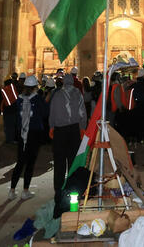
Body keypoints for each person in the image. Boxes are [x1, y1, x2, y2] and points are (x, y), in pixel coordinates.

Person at [49, 72, 87, 208]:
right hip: (73, 132)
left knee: (59, 164)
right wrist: (82, 128)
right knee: (73, 163)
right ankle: (72, 193)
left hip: (60, 132)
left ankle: (58, 193)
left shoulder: (57, 94)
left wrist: (52, 127)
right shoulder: (78, 94)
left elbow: (52, 114)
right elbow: (83, 113)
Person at [8, 75, 47, 199]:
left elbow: (12, 112)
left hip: (22, 133)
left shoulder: (19, 99)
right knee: (30, 163)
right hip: (34, 133)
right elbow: (46, 112)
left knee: (20, 162)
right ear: (35, 87)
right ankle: (25, 191)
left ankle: (12, 190)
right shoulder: (37, 99)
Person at [0, 77, 19, 145]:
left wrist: (1, 109)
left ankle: (8, 139)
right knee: (12, 126)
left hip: (7, 110)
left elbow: (2, 101)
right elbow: (17, 98)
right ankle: (12, 139)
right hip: (14, 109)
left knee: (7, 126)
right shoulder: (13, 87)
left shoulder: (3, 90)